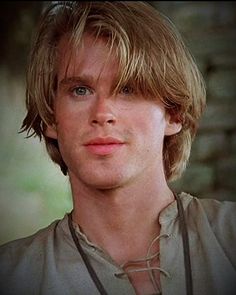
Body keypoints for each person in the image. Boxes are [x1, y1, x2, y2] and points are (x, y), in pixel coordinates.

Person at [0, 1, 235, 295]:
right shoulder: (12, 275)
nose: (102, 112)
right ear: (51, 117)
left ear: (174, 114)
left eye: (127, 88)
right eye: (80, 90)